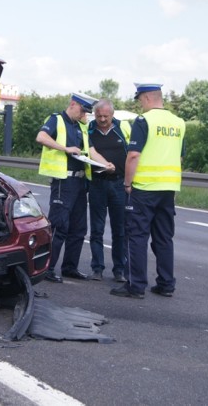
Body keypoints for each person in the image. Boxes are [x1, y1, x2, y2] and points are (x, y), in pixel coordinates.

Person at [110, 83, 185, 299]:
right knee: (164, 238)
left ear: (147, 98)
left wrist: (127, 183)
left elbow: (133, 155)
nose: (140, 105)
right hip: (168, 188)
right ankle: (166, 284)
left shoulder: (144, 121)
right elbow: (179, 157)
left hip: (143, 188)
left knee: (137, 236)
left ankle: (136, 285)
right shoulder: (178, 123)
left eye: (140, 100)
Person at [36, 93, 115, 283]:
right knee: (59, 226)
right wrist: (65, 148)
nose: (83, 115)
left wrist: (106, 164)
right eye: (82, 110)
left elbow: (91, 151)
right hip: (64, 181)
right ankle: (47, 268)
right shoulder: (56, 119)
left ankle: (70, 267)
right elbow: (41, 137)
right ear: (73, 104)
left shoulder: (81, 126)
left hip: (80, 182)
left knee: (79, 228)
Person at [87, 99, 131, 282]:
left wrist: (130, 181)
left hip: (119, 184)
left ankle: (119, 269)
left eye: (106, 116)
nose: (102, 119)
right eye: (99, 116)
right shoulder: (88, 129)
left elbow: (133, 154)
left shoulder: (124, 128)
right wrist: (105, 165)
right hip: (97, 183)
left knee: (119, 230)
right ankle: (97, 268)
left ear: (113, 115)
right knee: (97, 229)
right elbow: (88, 151)